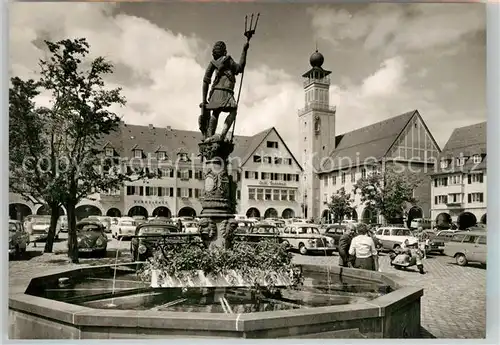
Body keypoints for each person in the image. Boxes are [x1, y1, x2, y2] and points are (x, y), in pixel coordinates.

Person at [201, 40, 249, 142]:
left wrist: (204, 99)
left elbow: (206, 81)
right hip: (226, 92)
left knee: (215, 113)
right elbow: (240, 68)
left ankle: (210, 136)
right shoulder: (229, 61)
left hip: (216, 93)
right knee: (233, 111)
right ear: (224, 51)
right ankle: (222, 135)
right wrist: (244, 51)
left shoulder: (212, 63)